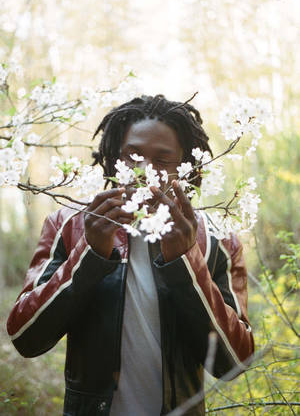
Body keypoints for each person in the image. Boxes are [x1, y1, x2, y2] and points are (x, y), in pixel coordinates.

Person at [7, 94, 254, 416]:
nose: (143, 171)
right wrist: (91, 254)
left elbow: (234, 362)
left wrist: (185, 262)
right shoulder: (70, 225)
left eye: (162, 160)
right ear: (113, 159)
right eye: (132, 155)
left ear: (185, 167)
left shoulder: (216, 239)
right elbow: (26, 338)